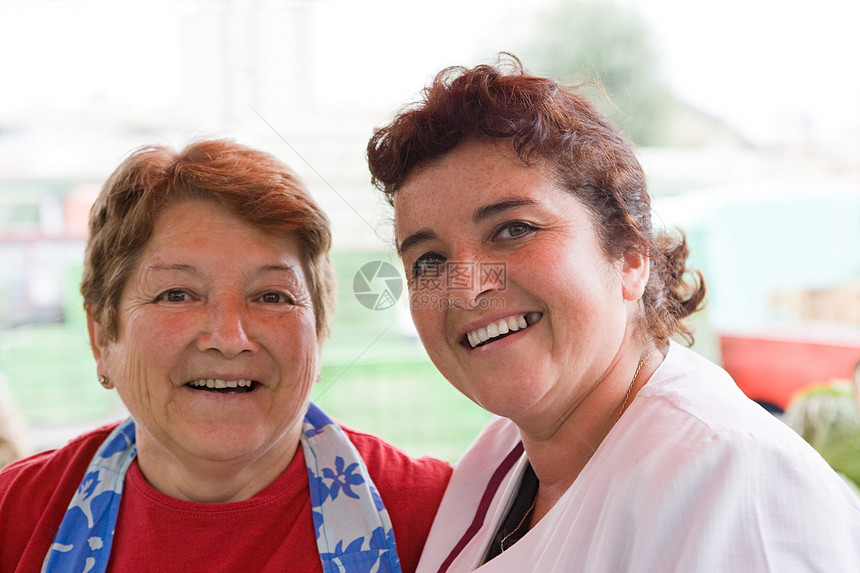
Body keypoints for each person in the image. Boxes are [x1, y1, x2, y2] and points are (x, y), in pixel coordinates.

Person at [366, 55, 860, 571]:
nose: (465, 291)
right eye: (429, 260)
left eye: (514, 229)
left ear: (629, 255)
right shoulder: (501, 455)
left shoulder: (734, 483)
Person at [0, 139, 451, 573]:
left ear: (318, 331)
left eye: (273, 296)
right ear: (101, 337)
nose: (229, 338)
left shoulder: (446, 518)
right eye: (176, 294)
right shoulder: (15, 516)